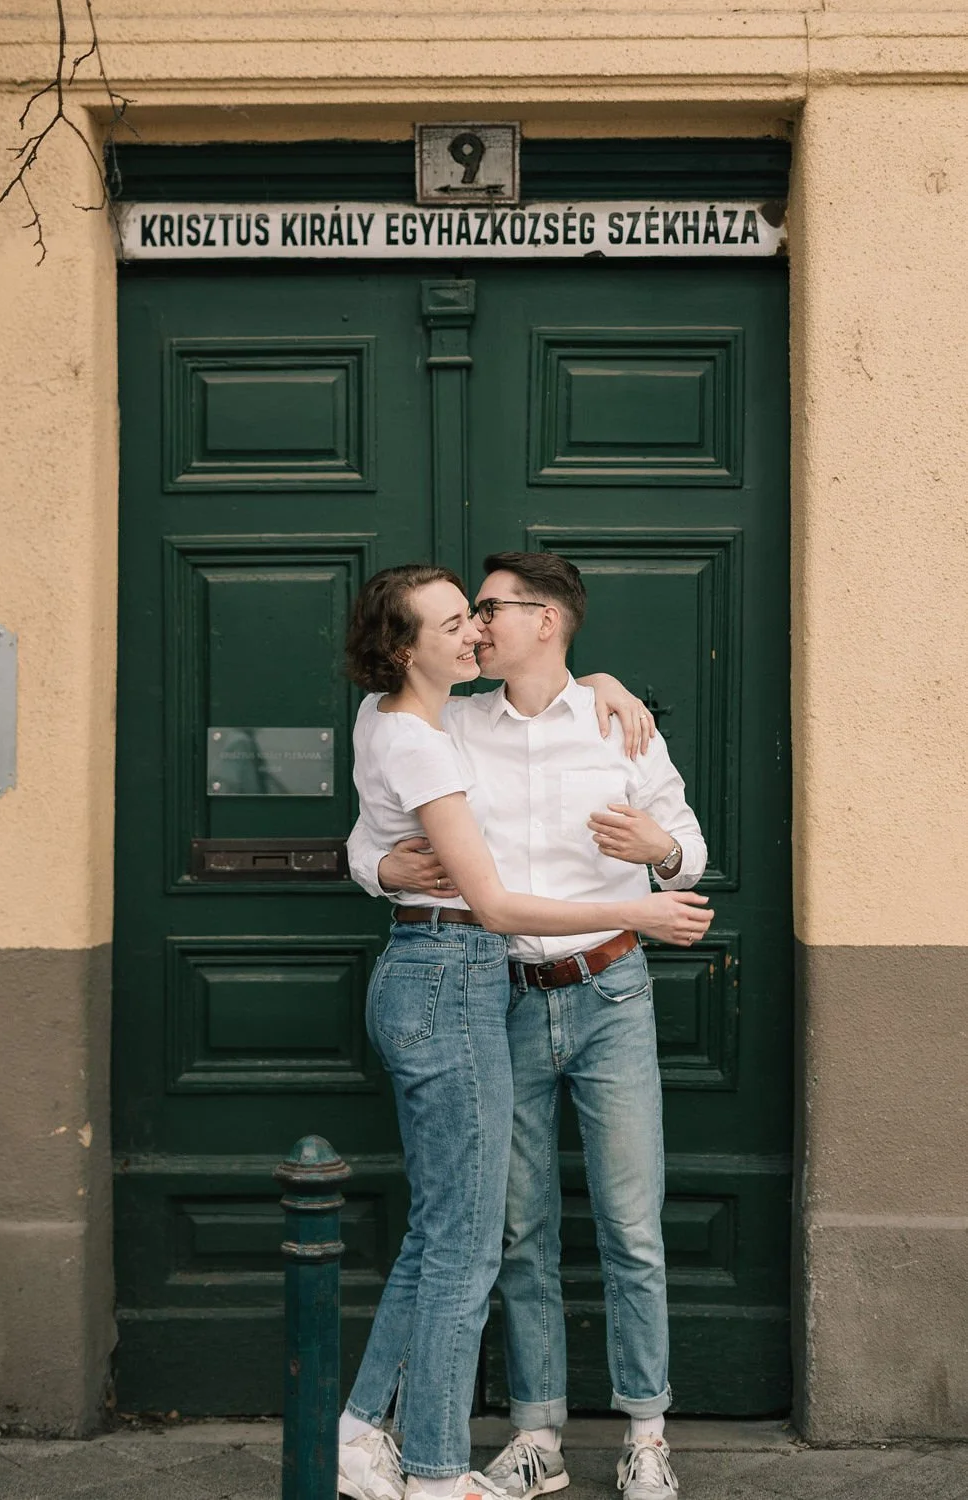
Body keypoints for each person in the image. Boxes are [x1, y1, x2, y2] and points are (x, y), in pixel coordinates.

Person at [339, 563, 714, 1500]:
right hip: (494, 991)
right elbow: (367, 829)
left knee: (632, 1224)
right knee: (512, 1227)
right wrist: (385, 866)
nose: (475, 629)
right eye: (463, 616)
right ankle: (535, 1432)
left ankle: (646, 1436)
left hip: (610, 990)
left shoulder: (616, 720)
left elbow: (691, 845)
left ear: (543, 622)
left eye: (489, 610)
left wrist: (659, 855)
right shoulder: (450, 718)